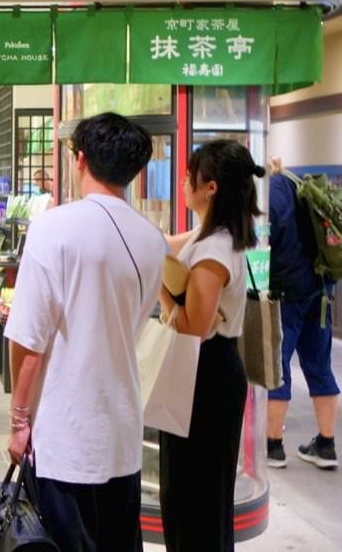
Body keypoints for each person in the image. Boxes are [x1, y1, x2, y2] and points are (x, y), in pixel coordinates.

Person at [6, 112, 165, 551]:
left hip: (65, 431)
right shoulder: (152, 239)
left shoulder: (52, 227)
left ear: (80, 160)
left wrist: (19, 420)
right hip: (123, 427)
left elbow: (29, 340)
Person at [158, 140, 265, 551]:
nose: (184, 180)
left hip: (206, 375)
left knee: (194, 497)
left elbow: (192, 328)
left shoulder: (215, 250)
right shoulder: (210, 233)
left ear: (212, 188)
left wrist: (160, 292)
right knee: (194, 493)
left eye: (191, 174)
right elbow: (165, 243)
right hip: (205, 373)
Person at [266, 158, 338, 469]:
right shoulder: (299, 184)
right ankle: (326, 444)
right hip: (321, 289)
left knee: (277, 366)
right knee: (320, 366)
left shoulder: (269, 192)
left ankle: (273, 446)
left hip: (287, 293)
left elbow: (265, 241)